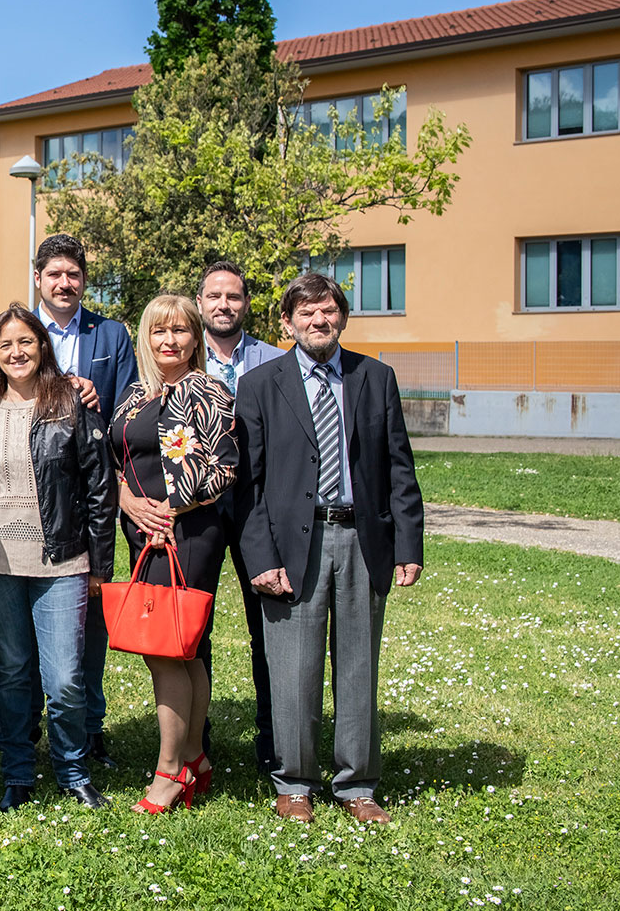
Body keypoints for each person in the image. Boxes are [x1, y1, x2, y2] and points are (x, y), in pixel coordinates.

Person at [236, 273, 424, 825]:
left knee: (359, 664)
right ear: (287, 322)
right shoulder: (260, 385)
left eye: (329, 311)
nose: (319, 321)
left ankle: (358, 784)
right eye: (307, 313)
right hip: (294, 543)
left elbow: (398, 468)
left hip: (363, 539)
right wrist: (261, 557)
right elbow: (248, 484)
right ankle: (294, 782)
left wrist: (407, 544)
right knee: (292, 667)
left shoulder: (376, 377)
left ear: (342, 317)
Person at [0, 304, 115, 812]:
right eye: (6, 345)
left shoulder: (72, 401)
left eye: (25, 342)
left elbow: (100, 486)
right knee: (11, 669)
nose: (16, 352)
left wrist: (100, 565)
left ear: (42, 346)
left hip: (62, 558)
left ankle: (73, 769)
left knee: (65, 677)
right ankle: (18, 774)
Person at [109, 293, 238, 813]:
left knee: (169, 647)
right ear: (146, 337)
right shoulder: (136, 393)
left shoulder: (210, 391)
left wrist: (169, 509)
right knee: (179, 647)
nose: (170, 341)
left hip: (188, 530)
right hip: (142, 526)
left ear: (196, 337)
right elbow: (112, 459)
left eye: (181, 331)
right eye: (160, 331)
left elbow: (224, 467)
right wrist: (129, 502)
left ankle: (169, 772)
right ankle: (195, 758)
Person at [33, 233, 136, 769]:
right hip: (29, 493)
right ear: (39, 280)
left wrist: (101, 405)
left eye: (73, 275)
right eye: (55, 275)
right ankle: (28, 725)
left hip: (93, 492)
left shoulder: (111, 335)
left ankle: (89, 728)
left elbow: (131, 411)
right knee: (31, 616)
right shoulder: (19, 332)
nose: (65, 284)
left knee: (89, 610)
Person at [196, 260, 285, 774]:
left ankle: (275, 742)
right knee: (195, 628)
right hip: (199, 510)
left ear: (246, 303)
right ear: (201, 302)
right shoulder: (183, 358)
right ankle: (196, 742)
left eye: (233, 296)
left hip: (260, 508)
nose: (224, 305)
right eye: (214, 296)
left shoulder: (276, 361)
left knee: (267, 626)